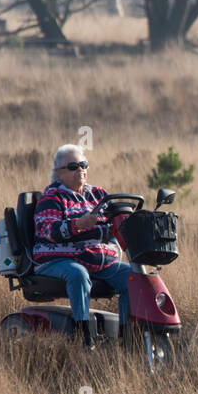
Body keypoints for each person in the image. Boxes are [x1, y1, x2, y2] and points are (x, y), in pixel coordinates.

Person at [32, 144, 133, 348]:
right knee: (77, 274)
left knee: (133, 278)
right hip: (58, 259)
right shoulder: (52, 197)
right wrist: (78, 225)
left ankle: (127, 338)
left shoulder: (98, 194)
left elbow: (114, 223)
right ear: (59, 173)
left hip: (99, 260)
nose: (80, 170)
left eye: (83, 164)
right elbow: (47, 231)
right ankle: (83, 335)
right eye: (73, 166)